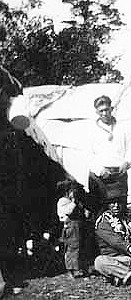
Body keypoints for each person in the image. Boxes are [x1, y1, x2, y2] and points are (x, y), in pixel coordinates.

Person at [0, 65, 25, 297]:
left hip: (5, 160)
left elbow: (18, 90)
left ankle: (10, 277)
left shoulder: (7, 77)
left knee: (7, 223)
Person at [88, 95, 131, 215]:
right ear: (96, 112)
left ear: (111, 109)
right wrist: (99, 170)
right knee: (102, 211)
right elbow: (88, 154)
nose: (104, 113)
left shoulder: (122, 127)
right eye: (101, 110)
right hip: (101, 176)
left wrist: (127, 162)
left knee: (121, 210)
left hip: (119, 174)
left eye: (106, 109)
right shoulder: (91, 130)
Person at [56, 180, 94, 278]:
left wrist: (85, 210)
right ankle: (71, 269)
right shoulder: (63, 201)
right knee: (72, 247)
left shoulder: (76, 202)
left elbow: (84, 213)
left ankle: (81, 267)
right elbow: (69, 211)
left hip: (78, 225)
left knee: (80, 246)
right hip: (71, 226)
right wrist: (73, 202)